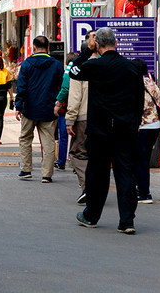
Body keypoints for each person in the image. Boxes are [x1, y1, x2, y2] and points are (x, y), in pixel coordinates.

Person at [69, 27, 144, 234]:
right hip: (125, 130)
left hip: (100, 130)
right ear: (116, 44)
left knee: (98, 175)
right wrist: (134, 122)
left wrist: (86, 51)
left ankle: (91, 215)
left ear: (98, 45)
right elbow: (139, 99)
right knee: (125, 174)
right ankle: (127, 221)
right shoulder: (130, 68)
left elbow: (73, 71)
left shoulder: (95, 66)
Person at [14, 35, 63, 182]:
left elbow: (21, 86)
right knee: (48, 141)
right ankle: (47, 174)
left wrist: (18, 106)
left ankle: (26, 169)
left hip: (29, 108)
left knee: (25, 138)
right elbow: (61, 85)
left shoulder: (27, 64)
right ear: (48, 48)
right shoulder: (56, 64)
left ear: (33, 47)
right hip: (49, 108)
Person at [65, 32, 95, 205]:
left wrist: (70, 119)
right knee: (98, 155)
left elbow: (75, 97)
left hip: (83, 118)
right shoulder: (108, 65)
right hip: (106, 119)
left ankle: (88, 187)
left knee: (77, 153)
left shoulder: (79, 69)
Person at [133, 58, 160, 204]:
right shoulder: (152, 83)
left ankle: (144, 192)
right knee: (144, 160)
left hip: (142, 126)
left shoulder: (135, 84)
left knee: (140, 160)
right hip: (154, 126)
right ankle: (143, 189)